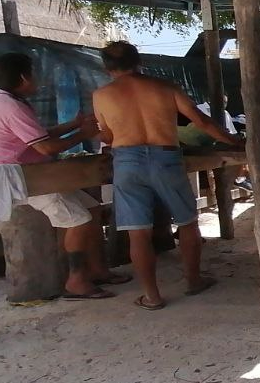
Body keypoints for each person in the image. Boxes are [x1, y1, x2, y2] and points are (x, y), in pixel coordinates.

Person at [92, 41, 239, 310]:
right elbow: (202, 122)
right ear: (138, 62)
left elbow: (108, 135)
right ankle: (193, 281)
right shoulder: (165, 88)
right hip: (166, 157)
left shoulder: (101, 96)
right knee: (187, 221)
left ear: (107, 67)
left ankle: (152, 296)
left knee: (138, 233)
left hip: (126, 161)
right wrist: (232, 141)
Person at [0, 52, 128, 299]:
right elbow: (46, 147)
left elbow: (39, 135)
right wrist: (84, 134)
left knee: (91, 209)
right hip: (23, 179)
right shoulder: (10, 106)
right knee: (78, 219)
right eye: (33, 74)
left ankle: (97, 270)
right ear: (24, 77)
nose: (36, 79)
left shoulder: (8, 101)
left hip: (35, 174)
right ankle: (75, 280)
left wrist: (74, 125)